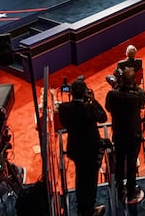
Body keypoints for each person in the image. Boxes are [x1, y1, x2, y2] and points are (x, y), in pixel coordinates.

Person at [57, 78, 108, 216]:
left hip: (76, 150)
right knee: (90, 182)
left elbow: (63, 123)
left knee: (80, 180)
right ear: (85, 92)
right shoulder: (89, 108)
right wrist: (94, 100)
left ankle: (81, 210)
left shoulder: (64, 108)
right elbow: (103, 118)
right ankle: (89, 211)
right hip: (91, 151)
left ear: (71, 93)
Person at [104, 67, 145, 205]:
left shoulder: (112, 95)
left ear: (121, 80)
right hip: (134, 136)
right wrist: (131, 85)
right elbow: (144, 97)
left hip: (119, 135)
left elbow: (108, 108)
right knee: (131, 163)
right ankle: (130, 192)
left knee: (119, 163)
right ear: (133, 81)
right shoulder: (136, 96)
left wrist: (119, 85)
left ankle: (119, 189)